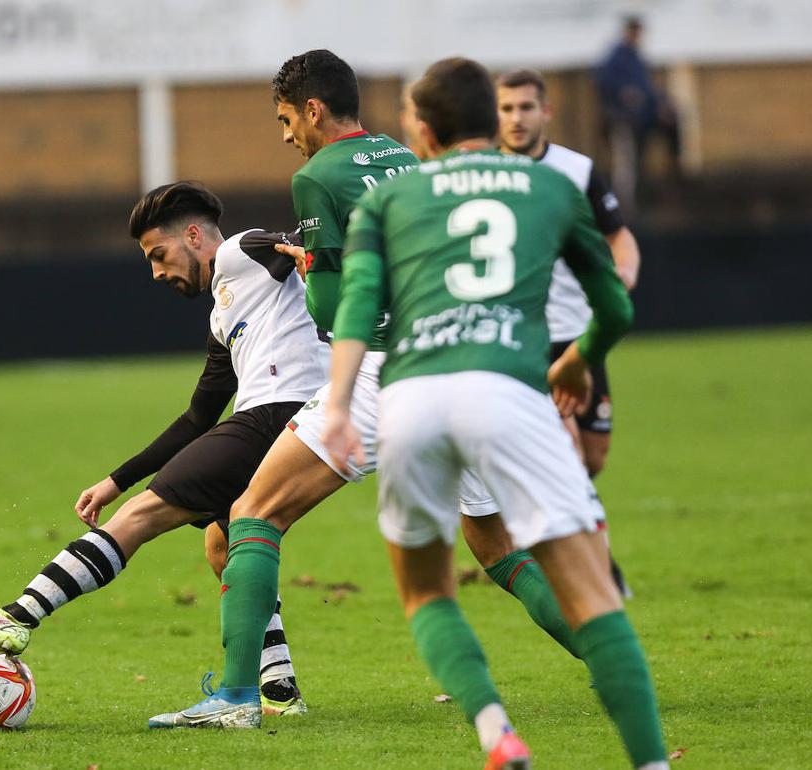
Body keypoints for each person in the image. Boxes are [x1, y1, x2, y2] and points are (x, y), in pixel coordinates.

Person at [148, 50, 582, 731]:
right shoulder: (406, 156)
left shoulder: (317, 175)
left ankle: (235, 699)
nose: (286, 134)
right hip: (466, 364)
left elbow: (326, 311)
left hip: (391, 369)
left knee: (253, 515)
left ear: (314, 110)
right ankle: (612, 651)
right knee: (497, 547)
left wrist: (315, 264)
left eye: (287, 118)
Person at [322, 57, 667, 769]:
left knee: (426, 592)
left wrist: (336, 404)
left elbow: (357, 304)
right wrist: (577, 360)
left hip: (411, 399)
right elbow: (616, 306)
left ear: (422, 131)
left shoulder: (392, 198)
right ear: (494, 119)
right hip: (510, 392)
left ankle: (494, 730)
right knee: (592, 593)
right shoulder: (547, 185)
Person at [0, 182, 329, 716]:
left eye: (159, 255)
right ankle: (278, 688)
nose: (157, 272)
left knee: (144, 515)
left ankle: (18, 616)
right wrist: (115, 480)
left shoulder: (239, 252)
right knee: (222, 542)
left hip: (280, 412)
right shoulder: (221, 319)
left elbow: (292, 244)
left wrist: (307, 252)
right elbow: (196, 419)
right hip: (298, 420)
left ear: (193, 235)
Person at [497, 67, 640, 595]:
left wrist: (622, 274)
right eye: (506, 109)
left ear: (545, 112)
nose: (516, 118)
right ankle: (596, 569)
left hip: (581, 335)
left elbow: (619, 237)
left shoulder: (576, 170)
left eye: (525, 107)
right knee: (569, 453)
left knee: (593, 457)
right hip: (524, 337)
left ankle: (550, 532)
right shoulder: (485, 175)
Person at [594, 15, 682, 215]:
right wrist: (623, 93)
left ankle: (674, 173)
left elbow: (648, 89)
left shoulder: (637, 58)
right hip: (626, 119)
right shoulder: (615, 58)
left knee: (672, 124)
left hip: (644, 118)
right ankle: (628, 204)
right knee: (630, 161)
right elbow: (605, 83)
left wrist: (662, 104)